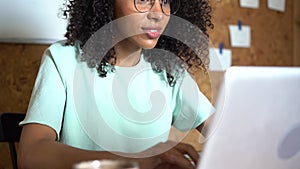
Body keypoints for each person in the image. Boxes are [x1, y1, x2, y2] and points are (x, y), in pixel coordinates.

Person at [18, 0, 214, 169]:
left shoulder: (169, 70)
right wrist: (134, 162)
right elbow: (30, 154)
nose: (158, 14)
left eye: (165, 1)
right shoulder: (63, 59)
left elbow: (226, 133)